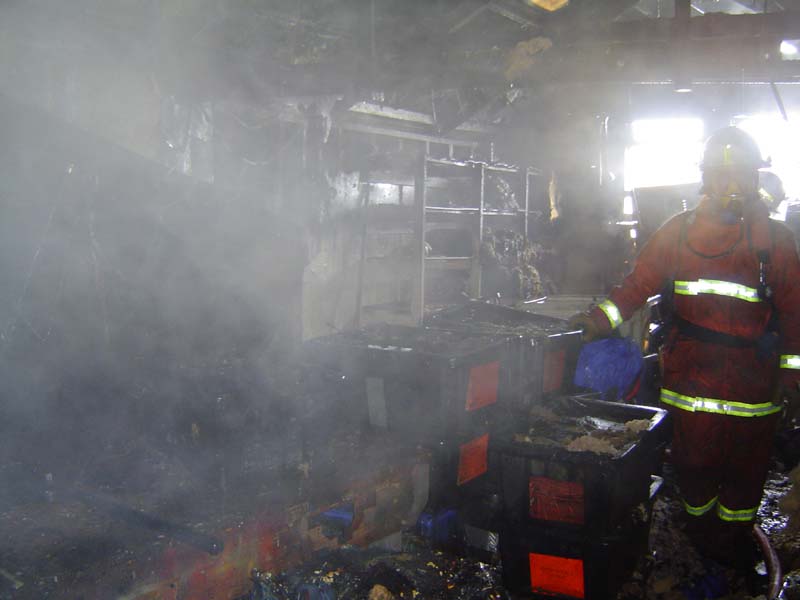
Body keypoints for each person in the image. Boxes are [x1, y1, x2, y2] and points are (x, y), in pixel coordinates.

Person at [569, 126, 800, 569]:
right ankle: (700, 542)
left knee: (745, 478)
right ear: (705, 180)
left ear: (756, 178)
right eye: (720, 175)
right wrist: (595, 323)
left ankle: (729, 548)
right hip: (693, 385)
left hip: (755, 392)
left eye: (740, 176)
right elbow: (636, 287)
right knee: (693, 470)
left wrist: (791, 377)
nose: (730, 187)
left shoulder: (775, 241)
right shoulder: (677, 233)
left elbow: (795, 316)